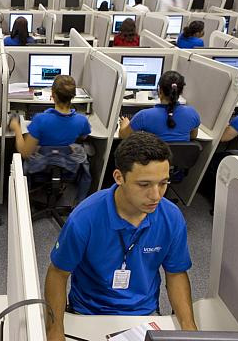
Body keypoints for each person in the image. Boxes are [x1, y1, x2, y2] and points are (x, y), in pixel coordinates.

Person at [44, 132, 197, 340]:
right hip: (88, 313)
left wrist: (190, 330)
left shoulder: (171, 217)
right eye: (144, 185)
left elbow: (176, 273)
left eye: (163, 183)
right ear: (119, 177)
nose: (156, 195)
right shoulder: (85, 218)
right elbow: (57, 274)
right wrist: (55, 332)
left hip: (143, 315)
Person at [9, 75, 90, 159]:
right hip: (69, 168)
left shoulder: (40, 120)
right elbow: (84, 136)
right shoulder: (82, 120)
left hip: (40, 168)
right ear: (73, 96)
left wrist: (16, 128)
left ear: (53, 94)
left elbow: (24, 153)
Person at [119, 71, 200, 142]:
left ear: (160, 91)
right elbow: (193, 136)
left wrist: (124, 124)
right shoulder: (192, 113)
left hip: (153, 159)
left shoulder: (144, 115)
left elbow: (124, 136)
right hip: (181, 159)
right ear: (181, 92)